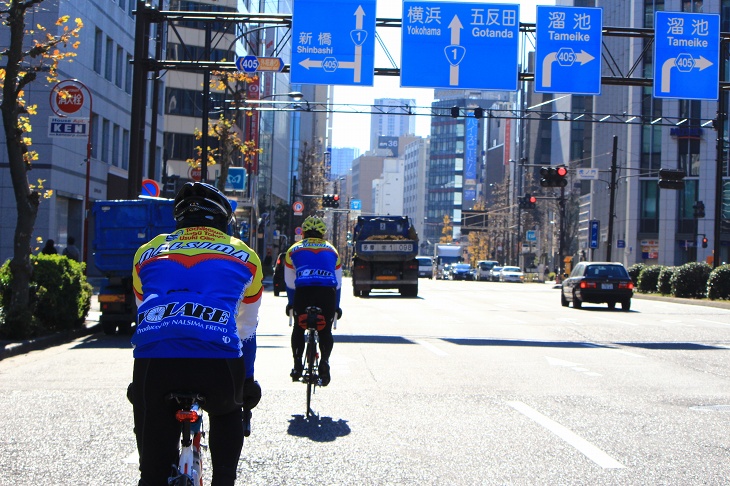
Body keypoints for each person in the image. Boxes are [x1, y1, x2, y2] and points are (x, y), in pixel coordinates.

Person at [129, 182, 263, 486]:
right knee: (228, 411)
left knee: (151, 471)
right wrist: (248, 381)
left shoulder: (146, 252)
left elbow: (145, 314)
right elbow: (247, 328)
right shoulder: (246, 256)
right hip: (217, 364)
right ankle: (224, 480)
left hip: (156, 363)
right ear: (224, 221)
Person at [284, 215, 342, 386]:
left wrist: (291, 304)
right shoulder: (333, 251)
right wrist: (337, 307)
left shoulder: (293, 250)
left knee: (299, 328)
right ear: (323, 234)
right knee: (325, 331)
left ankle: (297, 365)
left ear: (303, 233)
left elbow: (289, 282)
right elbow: (338, 284)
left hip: (304, 291)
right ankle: (324, 362)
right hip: (327, 293)